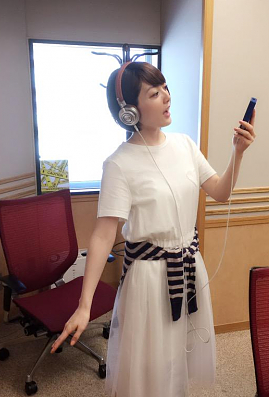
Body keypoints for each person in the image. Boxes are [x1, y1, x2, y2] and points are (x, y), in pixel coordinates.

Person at [50, 61, 256, 397]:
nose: (167, 97)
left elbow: (220, 192)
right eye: (154, 93)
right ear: (130, 111)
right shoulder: (119, 163)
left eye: (165, 88)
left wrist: (238, 152)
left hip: (188, 267)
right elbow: (103, 235)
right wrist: (85, 304)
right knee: (149, 366)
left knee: (176, 357)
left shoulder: (185, 145)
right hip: (148, 278)